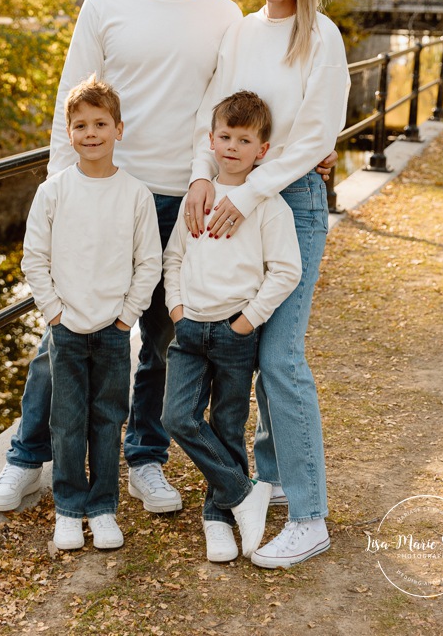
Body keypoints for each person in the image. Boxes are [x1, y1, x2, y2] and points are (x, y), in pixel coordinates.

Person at [0, 0, 242, 514]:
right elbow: (72, 97)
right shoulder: (107, 2)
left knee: (157, 341)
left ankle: (145, 458)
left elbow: (227, 109)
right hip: (100, 191)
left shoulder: (225, 16)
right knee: (63, 334)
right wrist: (56, 186)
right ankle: (25, 457)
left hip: (180, 200)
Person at [185, 0, 350, 569]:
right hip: (234, 202)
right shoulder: (241, 32)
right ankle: (274, 477)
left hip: (290, 205)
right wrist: (203, 177)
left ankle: (310, 517)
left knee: (280, 357)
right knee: (252, 348)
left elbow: (314, 138)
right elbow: (214, 112)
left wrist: (248, 193)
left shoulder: (322, 37)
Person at [21, 77, 162, 550]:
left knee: (107, 419)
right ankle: (68, 508)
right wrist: (55, 313)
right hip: (67, 330)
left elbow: (149, 263)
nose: (91, 133)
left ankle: (103, 507)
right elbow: (34, 259)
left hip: (114, 332)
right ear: (69, 133)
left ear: (119, 129)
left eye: (101, 123)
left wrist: (127, 317)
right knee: (65, 422)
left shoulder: (136, 195)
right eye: (80, 125)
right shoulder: (54, 191)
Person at [162, 91, 301, 564]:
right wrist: (177, 309)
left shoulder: (267, 206)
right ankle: (245, 492)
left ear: (262, 150)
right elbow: (174, 257)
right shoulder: (197, 197)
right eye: (225, 136)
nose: (232, 147)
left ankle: (218, 519)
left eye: (244, 140)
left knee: (226, 423)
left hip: (233, 333)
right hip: (189, 331)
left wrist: (246, 322)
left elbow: (286, 271)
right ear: (211, 139)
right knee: (177, 418)